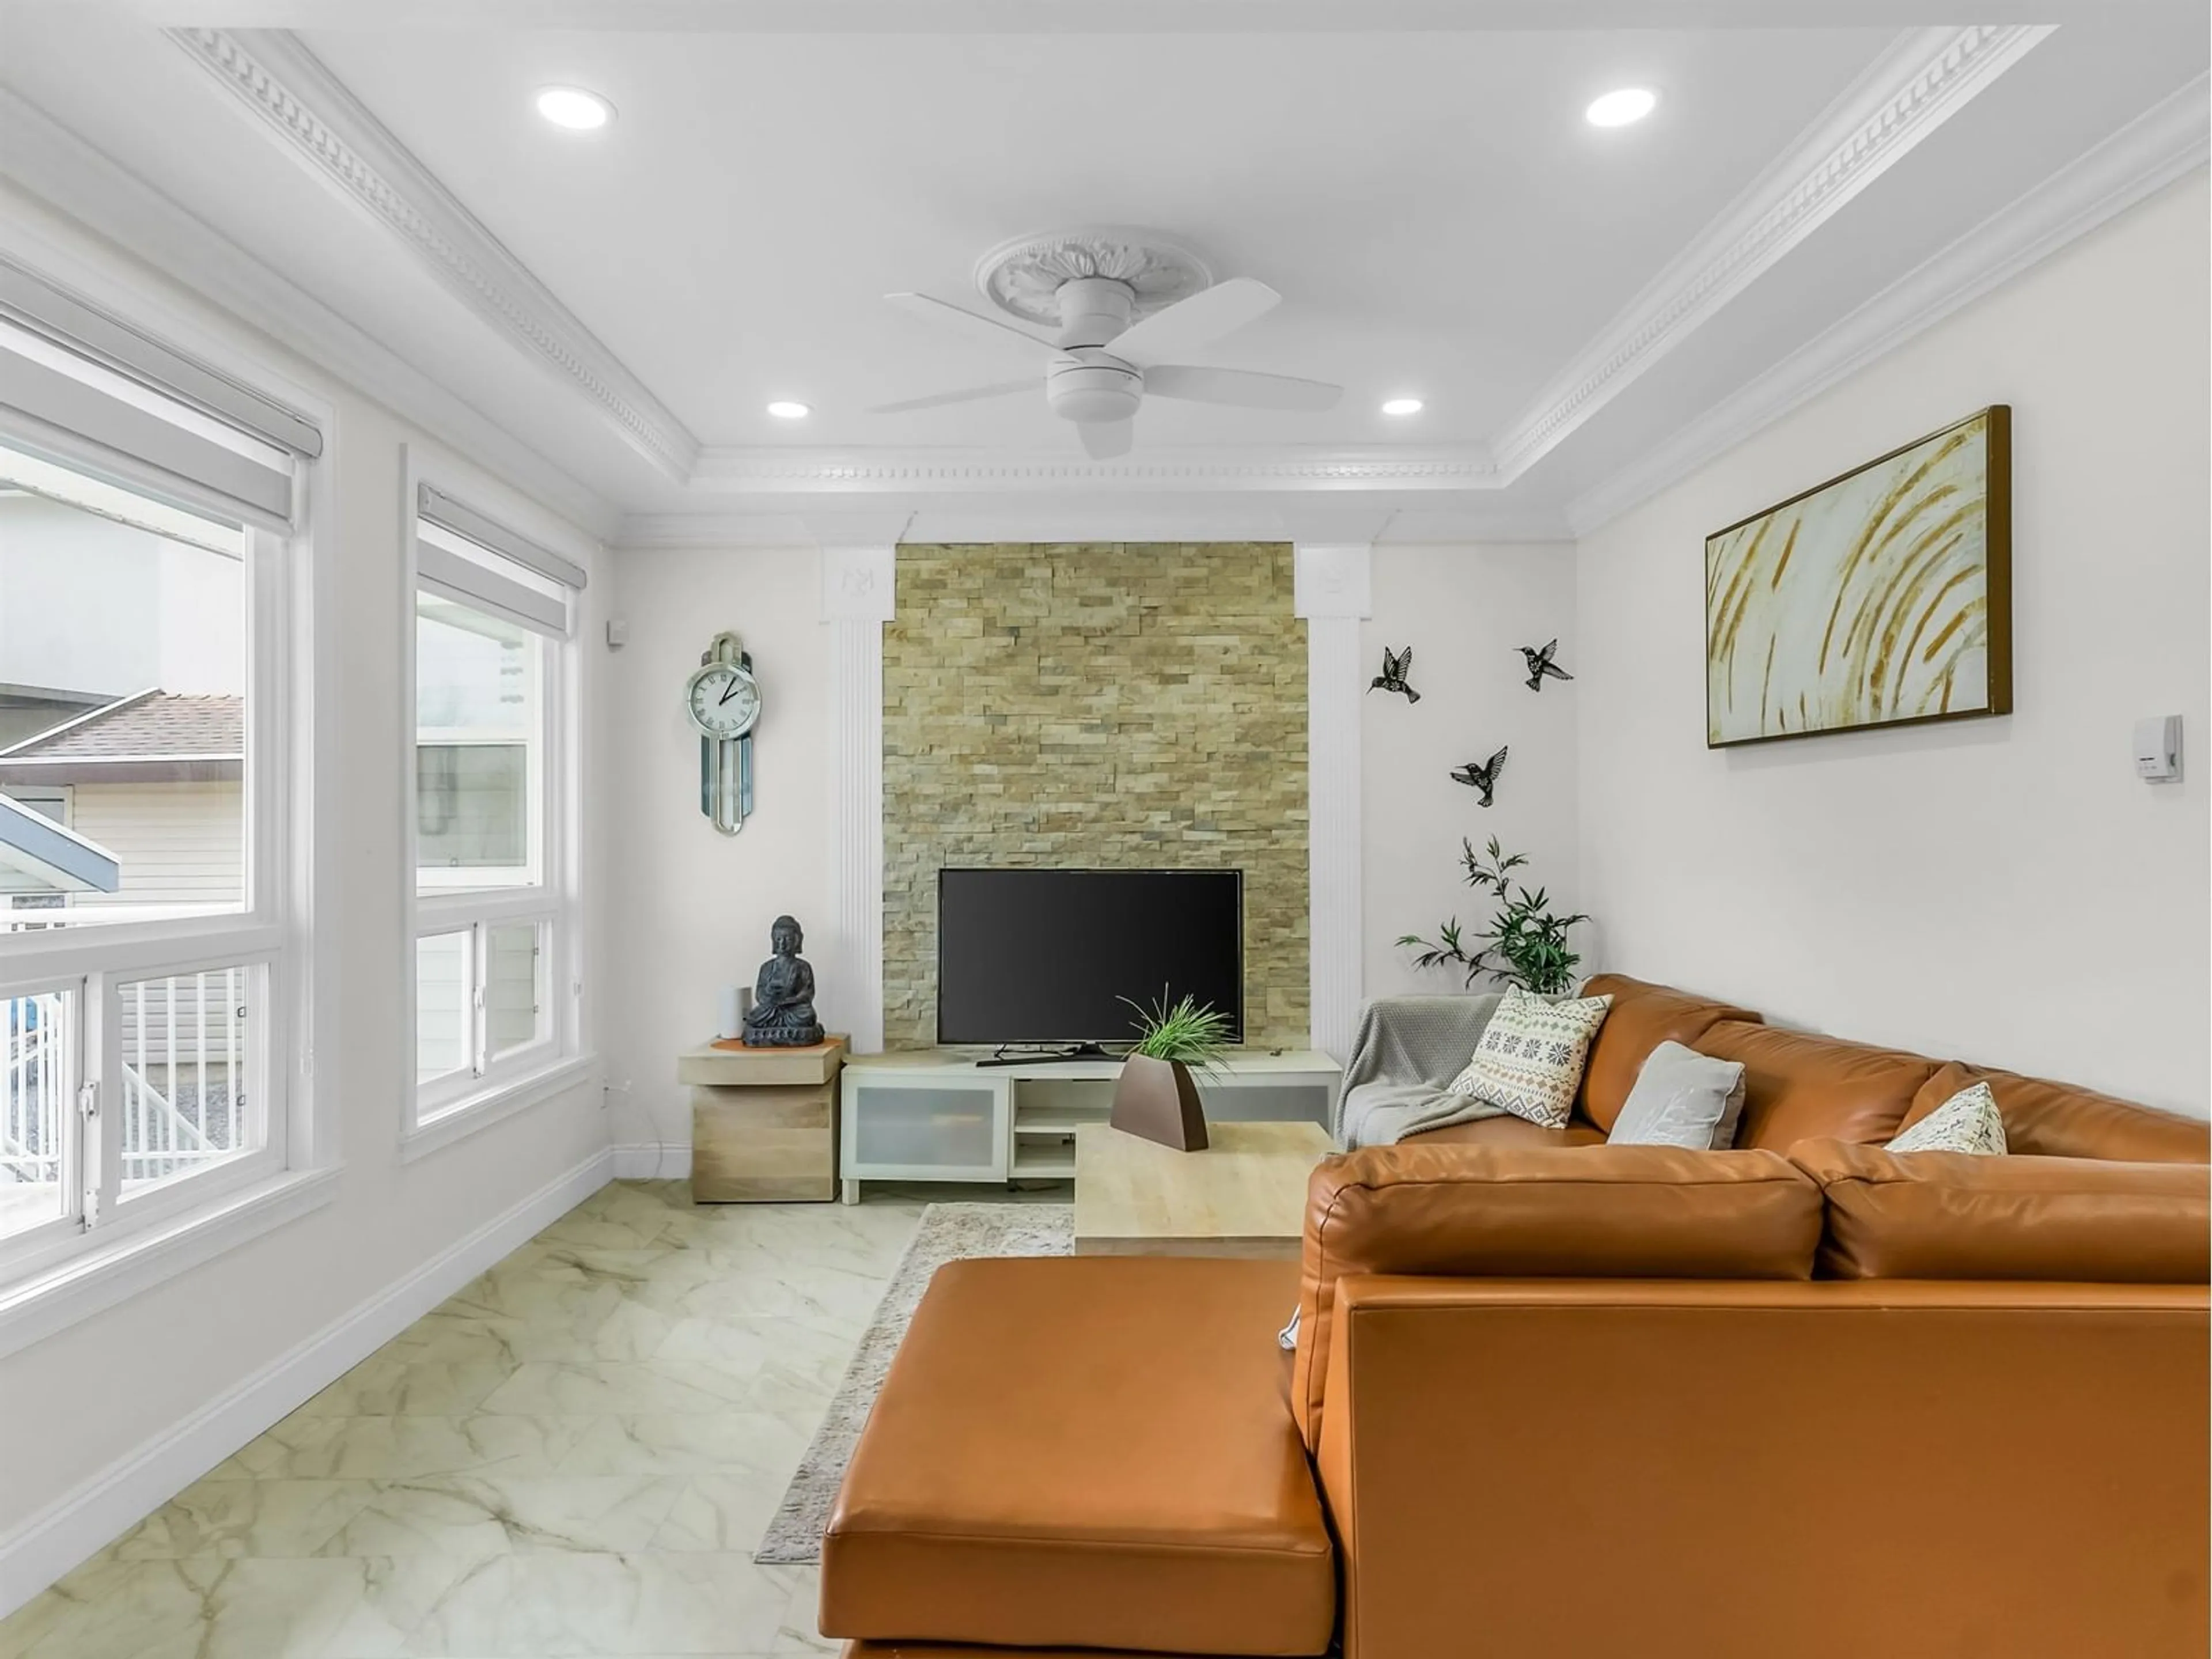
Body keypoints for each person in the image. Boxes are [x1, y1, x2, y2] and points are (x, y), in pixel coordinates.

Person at [744, 915, 823, 1047]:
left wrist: (790, 1001)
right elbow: (760, 994)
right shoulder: (767, 967)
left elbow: (808, 994)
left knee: (807, 1015)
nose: (783, 944)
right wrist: (769, 996)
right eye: (779, 939)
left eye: (788, 939)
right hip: (772, 1009)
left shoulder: (803, 967)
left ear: (797, 941)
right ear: (774, 941)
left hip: (793, 1009)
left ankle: (779, 1028)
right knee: (754, 1017)